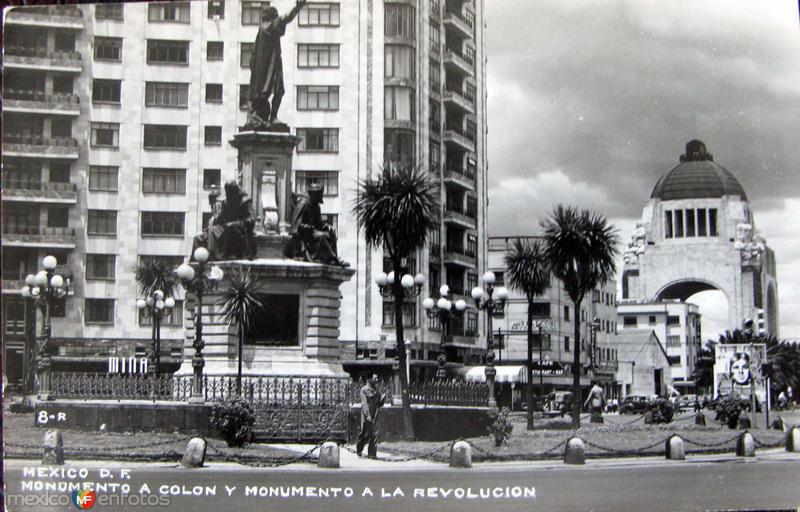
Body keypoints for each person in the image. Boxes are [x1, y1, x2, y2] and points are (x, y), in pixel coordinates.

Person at [246, 0, 307, 129]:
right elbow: (285, 18)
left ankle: (272, 117)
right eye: (275, 16)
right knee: (277, 91)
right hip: (268, 70)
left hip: (271, 67)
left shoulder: (264, 30)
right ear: (271, 17)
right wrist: (297, 8)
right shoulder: (267, 27)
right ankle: (272, 117)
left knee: (279, 90)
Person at [192, 181, 256, 261]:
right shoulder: (226, 202)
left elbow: (251, 219)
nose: (229, 195)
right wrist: (217, 218)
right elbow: (221, 217)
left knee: (228, 227)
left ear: (236, 190)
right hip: (225, 227)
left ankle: (217, 255)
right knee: (202, 235)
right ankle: (206, 255)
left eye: (231, 192)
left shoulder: (245, 201)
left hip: (240, 229)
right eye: (228, 192)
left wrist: (235, 223)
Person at [285, 184, 348, 266]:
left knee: (331, 233)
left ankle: (332, 259)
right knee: (322, 236)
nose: (322, 196)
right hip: (304, 235)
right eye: (320, 194)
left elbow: (319, 222)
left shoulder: (316, 206)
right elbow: (296, 226)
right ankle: (333, 258)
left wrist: (326, 226)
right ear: (314, 194)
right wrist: (308, 227)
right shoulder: (303, 204)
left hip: (312, 232)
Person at [357, 374, 385, 459]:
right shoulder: (364, 390)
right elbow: (364, 403)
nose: (376, 379)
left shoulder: (376, 389)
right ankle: (359, 448)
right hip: (367, 415)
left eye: (377, 377)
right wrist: (368, 415)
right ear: (369, 379)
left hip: (375, 414)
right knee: (366, 434)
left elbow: (380, 403)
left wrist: (383, 399)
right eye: (375, 378)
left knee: (374, 433)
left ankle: (372, 454)